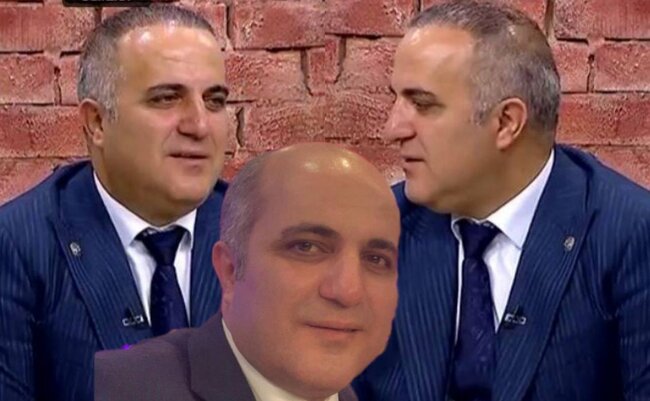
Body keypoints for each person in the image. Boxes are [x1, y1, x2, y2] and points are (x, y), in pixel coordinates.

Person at [353, 1, 650, 400]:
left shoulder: (629, 236)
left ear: (507, 122)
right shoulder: (379, 232)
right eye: (396, 100)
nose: (392, 128)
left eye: (422, 104)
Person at [0, 5, 230, 401]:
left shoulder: (258, 231)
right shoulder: (18, 245)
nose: (199, 125)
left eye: (214, 101)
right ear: (97, 122)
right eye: (166, 98)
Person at [94, 143, 400, 401]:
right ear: (230, 270)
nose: (348, 291)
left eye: (376, 259)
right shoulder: (113, 388)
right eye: (307, 247)